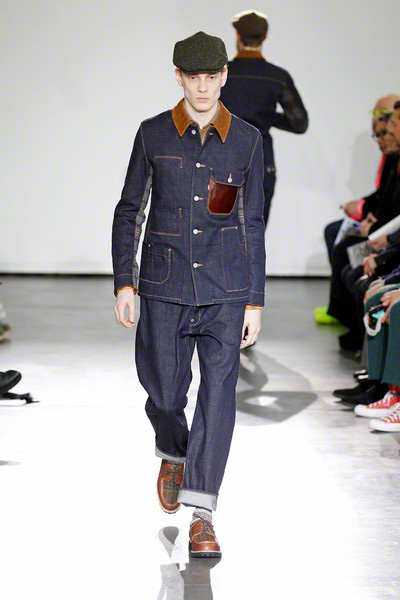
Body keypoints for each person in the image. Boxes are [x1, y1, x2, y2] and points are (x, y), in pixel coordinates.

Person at [112, 31, 265, 559]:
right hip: (164, 286)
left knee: (219, 397)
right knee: (163, 391)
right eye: (192, 77)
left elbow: (251, 222)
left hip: (226, 289)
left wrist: (254, 299)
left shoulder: (247, 140)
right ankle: (172, 451)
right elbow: (129, 210)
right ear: (178, 76)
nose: (202, 87)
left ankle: (203, 514)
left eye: (210, 77)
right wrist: (125, 281)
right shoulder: (153, 133)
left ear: (224, 75)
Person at [219, 9, 308, 230]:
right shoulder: (277, 77)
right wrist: (267, 117)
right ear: (265, 37)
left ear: (238, 36)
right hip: (262, 162)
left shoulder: (221, 74)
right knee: (254, 235)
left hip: (222, 162)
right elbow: (299, 122)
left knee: (219, 235)